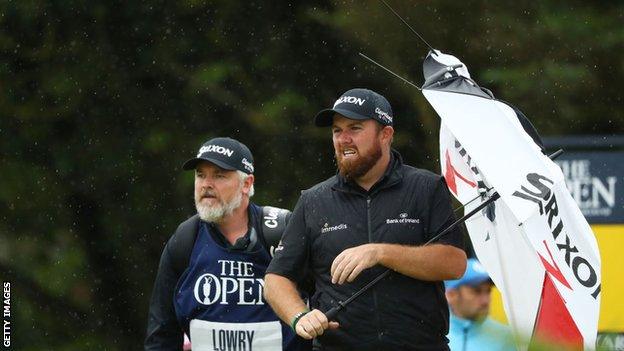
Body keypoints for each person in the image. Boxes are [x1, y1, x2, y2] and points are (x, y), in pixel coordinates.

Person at [264, 88, 467, 350]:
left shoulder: (426, 188)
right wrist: (299, 315)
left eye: (355, 128)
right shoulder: (313, 201)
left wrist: (381, 253)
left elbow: (454, 263)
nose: (343, 139)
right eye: (337, 130)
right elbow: (276, 279)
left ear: (386, 135)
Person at [145, 137, 308, 350]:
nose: (206, 184)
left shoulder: (280, 231)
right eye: (200, 175)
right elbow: (162, 333)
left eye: (219, 176)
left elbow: (325, 304)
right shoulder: (185, 238)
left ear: (247, 184)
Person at [445, 258, 515, 351]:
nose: (485, 301)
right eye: (477, 291)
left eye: (488, 291)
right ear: (451, 295)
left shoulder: (507, 338)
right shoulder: (432, 335)